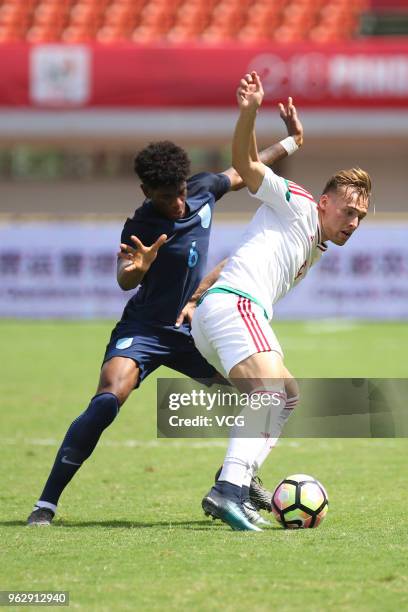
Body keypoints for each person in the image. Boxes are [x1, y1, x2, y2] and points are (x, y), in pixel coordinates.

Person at [27, 110, 303, 526]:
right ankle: (46, 504)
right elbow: (124, 278)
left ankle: (236, 480)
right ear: (145, 191)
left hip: (191, 330)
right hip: (144, 330)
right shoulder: (140, 225)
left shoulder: (204, 189)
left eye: (178, 194)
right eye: (163, 197)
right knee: (106, 400)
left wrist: (293, 141)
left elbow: (248, 170)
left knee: (262, 396)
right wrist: (138, 267)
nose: (175, 204)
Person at [191, 71, 372, 531]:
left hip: (222, 309)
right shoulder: (297, 201)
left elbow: (236, 257)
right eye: (348, 211)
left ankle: (241, 475)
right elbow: (246, 166)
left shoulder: (312, 243)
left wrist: (195, 296)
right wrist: (249, 113)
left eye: (362, 216)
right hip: (236, 307)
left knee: (288, 396)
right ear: (325, 202)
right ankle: (228, 489)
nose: (354, 221)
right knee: (270, 392)